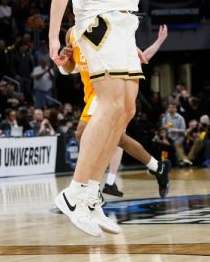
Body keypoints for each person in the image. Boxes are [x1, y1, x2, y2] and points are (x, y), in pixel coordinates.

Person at [49, 0, 145, 236]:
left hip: (124, 25)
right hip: (97, 23)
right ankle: (74, 193)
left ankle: (91, 194)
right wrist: (55, 35)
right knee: (107, 106)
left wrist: (130, 43)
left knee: (127, 109)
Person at [59, 24, 170, 194]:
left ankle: (88, 187)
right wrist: (63, 59)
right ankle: (158, 167)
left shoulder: (103, 26)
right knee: (119, 139)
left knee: (81, 133)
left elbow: (139, 57)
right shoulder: (71, 33)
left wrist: (156, 42)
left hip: (107, 89)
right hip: (91, 93)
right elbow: (69, 68)